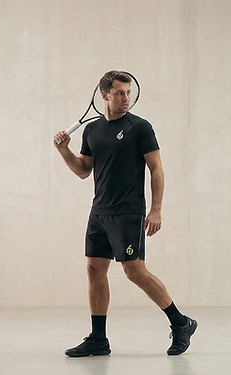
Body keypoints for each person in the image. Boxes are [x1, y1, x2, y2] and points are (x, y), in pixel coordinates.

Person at [53, 70, 197, 357]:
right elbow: (83, 171)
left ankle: (181, 323)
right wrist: (64, 151)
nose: (125, 98)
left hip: (128, 213)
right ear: (104, 95)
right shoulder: (92, 130)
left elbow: (157, 168)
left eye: (128, 93)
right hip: (99, 213)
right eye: (120, 93)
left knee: (134, 271)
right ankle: (98, 339)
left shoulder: (140, 128)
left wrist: (156, 209)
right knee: (94, 270)